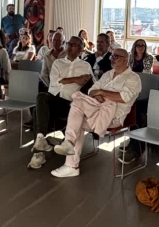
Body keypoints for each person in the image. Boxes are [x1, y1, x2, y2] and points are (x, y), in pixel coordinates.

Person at [51, 48, 141, 178]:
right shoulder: (108, 74)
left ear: (125, 60)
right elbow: (91, 90)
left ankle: (70, 157)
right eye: (112, 56)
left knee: (77, 114)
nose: (112, 59)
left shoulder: (133, 78)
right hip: (95, 109)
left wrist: (102, 92)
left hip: (113, 117)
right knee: (78, 102)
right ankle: (70, 157)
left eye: (116, 56)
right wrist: (97, 94)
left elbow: (123, 97)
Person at [29, 36, 94, 169]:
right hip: (54, 98)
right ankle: (40, 140)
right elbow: (55, 81)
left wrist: (66, 80)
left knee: (36, 110)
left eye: (74, 45)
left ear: (81, 49)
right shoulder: (58, 63)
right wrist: (76, 79)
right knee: (41, 97)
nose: (69, 47)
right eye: (69, 44)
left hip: (70, 103)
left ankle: (39, 151)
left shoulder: (85, 66)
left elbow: (91, 85)